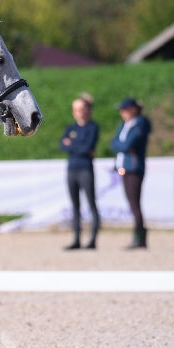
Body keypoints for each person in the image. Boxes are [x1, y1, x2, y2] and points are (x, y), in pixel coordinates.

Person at [110, 97, 152, 249]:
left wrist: (121, 146)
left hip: (134, 168)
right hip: (124, 167)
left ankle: (139, 237)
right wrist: (122, 146)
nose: (122, 112)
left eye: (125, 109)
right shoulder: (125, 124)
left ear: (133, 109)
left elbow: (128, 144)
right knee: (132, 203)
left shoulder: (140, 123)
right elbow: (114, 144)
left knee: (135, 204)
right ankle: (138, 236)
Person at [59, 94, 100, 250]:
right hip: (72, 169)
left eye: (82, 109)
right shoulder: (71, 128)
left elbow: (87, 147)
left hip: (85, 169)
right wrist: (78, 146)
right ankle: (76, 239)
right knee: (75, 205)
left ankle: (92, 240)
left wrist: (73, 144)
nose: (79, 112)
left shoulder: (92, 127)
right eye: (76, 109)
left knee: (91, 203)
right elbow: (63, 145)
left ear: (88, 110)